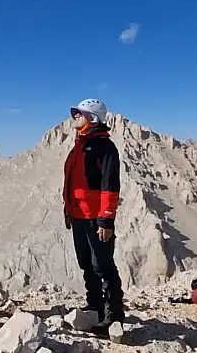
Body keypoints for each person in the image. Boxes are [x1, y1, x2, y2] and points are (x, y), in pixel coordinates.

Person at [62, 98, 125, 332]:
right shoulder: (79, 145)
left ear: (93, 118)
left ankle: (113, 315)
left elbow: (110, 186)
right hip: (78, 216)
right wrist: (69, 211)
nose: (74, 117)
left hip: (95, 218)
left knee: (103, 265)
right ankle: (94, 306)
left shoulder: (104, 147)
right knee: (86, 263)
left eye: (79, 113)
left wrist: (106, 218)